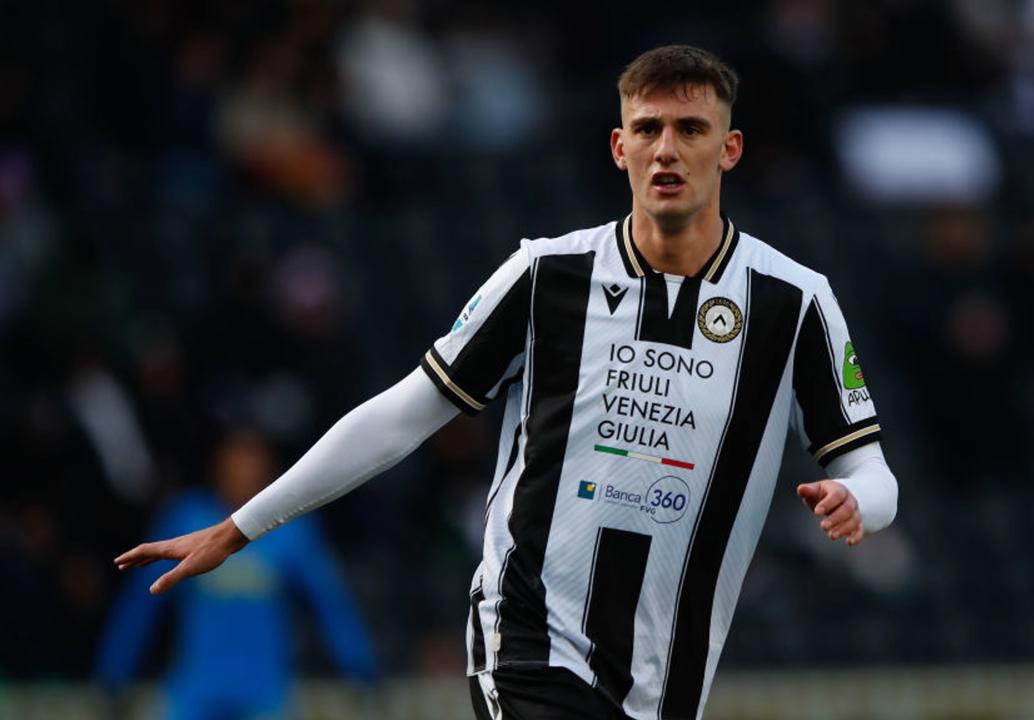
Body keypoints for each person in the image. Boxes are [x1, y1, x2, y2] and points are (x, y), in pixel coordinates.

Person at [115, 45, 899, 720]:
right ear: (618, 148)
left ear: (728, 150)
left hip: (670, 676)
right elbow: (402, 415)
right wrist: (240, 527)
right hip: (529, 636)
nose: (667, 149)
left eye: (690, 129)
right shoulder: (543, 276)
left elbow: (871, 468)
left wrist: (855, 499)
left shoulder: (794, 302)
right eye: (649, 129)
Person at [98, 430, 377, 719]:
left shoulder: (288, 530)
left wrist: (360, 666)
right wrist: (114, 671)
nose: (243, 476)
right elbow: (141, 603)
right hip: (195, 694)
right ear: (217, 469)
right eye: (235, 466)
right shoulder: (187, 520)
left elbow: (330, 603)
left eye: (253, 466)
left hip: (263, 697)